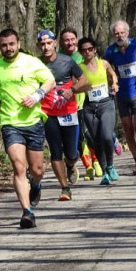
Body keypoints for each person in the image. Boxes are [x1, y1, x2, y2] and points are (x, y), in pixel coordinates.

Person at [0, 28, 55, 228]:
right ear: (0, 46)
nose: (8, 48)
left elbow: (50, 80)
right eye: (4, 45)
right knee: (18, 166)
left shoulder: (31, 61)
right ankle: (27, 212)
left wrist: (37, 95)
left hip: (33, 121)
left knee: (37, 169)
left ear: (18, 43)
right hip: (9, 122)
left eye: (11, 44)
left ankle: (36, 184)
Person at [36, 29, 88, 200]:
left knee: (72, 153)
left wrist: (72, 90)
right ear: (38, 46)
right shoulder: (35, 64)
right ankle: (65, 188)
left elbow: (85, 81)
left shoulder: (67, 61)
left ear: (55, 43)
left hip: (68, 112)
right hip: (48, 113)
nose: (46, 47)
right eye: (42, 44)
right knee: (55, 151)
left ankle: (71, 164)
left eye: (49, 43)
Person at [103, 20, 136, 176]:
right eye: (116, 33)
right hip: (122, 93)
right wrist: (112, 81)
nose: (119, 35)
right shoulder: (110, 51)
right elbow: (105, 67)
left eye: (122, 32)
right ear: (113, 35)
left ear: (127, 32)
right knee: (128, 129)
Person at [59, 27, 103, 181]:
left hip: (86, 101)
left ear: (76, 40)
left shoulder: (83, 55)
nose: (69, 42)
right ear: (62, 42)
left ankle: (97, 161)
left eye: (72, 39)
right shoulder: (59, 58)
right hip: (68, 105)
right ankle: (88, 165)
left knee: (90, 134)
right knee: (77, 140)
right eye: (66, 40)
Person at [76, 37, 120, 186]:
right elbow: (74, 87)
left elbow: (113, 74)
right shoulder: (79, 67)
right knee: (96, 141)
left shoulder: (104, 63)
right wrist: (82, 88)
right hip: (89, 107)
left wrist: (114, 84)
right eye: (83, 50)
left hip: (106, 104)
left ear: (94, 49)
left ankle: (110, 165)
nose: (87, 52)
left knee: (107, 136)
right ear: (81, 52)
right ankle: (105, 173)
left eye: (90, 49)